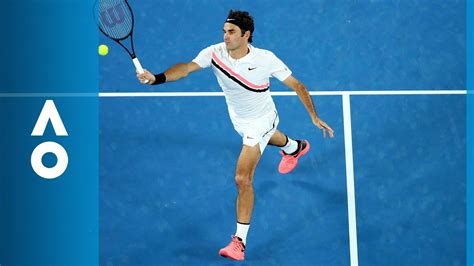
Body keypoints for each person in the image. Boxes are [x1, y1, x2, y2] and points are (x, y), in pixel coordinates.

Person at [137, 9, 334, 261]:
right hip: (239, 119)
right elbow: (186, 68)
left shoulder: (266, 59)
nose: (225, 36)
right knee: (265, 139)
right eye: (224, 31)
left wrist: (314, 117)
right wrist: (157, 78)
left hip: (262, 119)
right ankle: (295, 147)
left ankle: (239, 242)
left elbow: (298, 85)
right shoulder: (215, 53)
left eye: (231, 32)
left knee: (242, 178)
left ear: (246, 34)